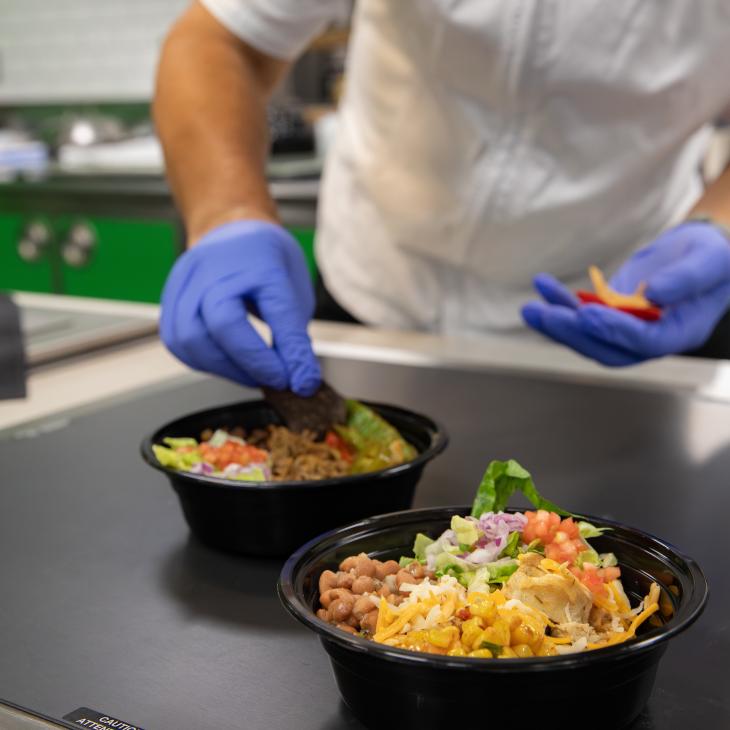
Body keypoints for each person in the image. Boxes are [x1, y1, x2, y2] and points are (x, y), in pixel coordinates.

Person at [154, 0, 730, 395]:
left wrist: (720, 226)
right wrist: (228, 212)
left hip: (624, 315)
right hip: (376, 303)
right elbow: (221, 38)